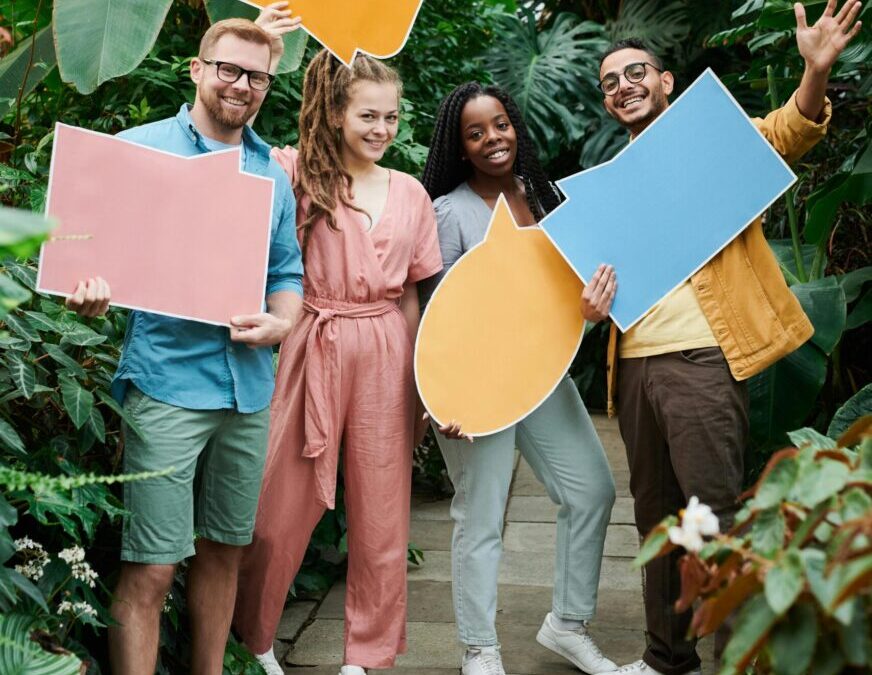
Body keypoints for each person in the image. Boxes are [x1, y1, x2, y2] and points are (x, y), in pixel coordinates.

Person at [594, 2, 862, 674]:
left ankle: (740, 659)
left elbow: (785, 134)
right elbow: (592, 280)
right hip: (633, 368)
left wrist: (814, 72)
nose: (621, 85)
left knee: (711, 514)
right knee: (658, 524)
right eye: (609, 82)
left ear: (665, 83)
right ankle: (666, 657)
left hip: (701, 361)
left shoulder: (709, 142)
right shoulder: (607, 186)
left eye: (635, 73)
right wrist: (590, 304)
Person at [65, 18, 304, 675]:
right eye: (228, 69)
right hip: (167, 382)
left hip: (247, 386)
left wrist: (282, 322)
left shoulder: (271, 173)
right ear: (196, 70)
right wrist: (86, 288)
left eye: (257, 76)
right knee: (154, 563)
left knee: (226, 550)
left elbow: (287, 272)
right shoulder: (138, 151)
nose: (243, 85)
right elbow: (82, 249)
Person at [233, 10, 443, 675]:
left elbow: (412, 294)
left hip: (387, 348)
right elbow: (235, 150)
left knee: (384, 515)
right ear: (335, 113)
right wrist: (265, 43)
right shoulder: (298, 174)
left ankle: (369, 653)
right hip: (310, 339)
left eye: (392, 117)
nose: (382, 129)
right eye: (368, 117)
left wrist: (423, 384)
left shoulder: (411, 193)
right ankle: (255, 637)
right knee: (275, 505)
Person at [418, 82, 619, 675]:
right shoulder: (448, 212)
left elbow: (565, 289)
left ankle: (567, 624)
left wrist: (589, 310)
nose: (491, 139)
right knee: (479, 517)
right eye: (474, 133)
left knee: (592, 491)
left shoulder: (546, 196)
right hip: (475, 391)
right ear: (459, 146)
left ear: (515, 126)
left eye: (499, 124)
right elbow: (437, 318)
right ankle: (479, 650)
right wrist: (441, 397)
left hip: (540, 375)